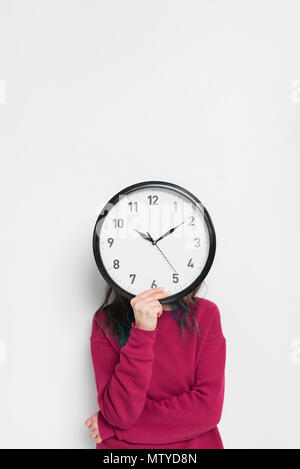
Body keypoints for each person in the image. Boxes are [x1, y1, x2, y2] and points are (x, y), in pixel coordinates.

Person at [85, 283, 226, 449]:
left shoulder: (205, 314)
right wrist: (142, 331)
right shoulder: (105, 321)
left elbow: (207, 410)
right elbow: (119, 414)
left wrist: (112, 427)